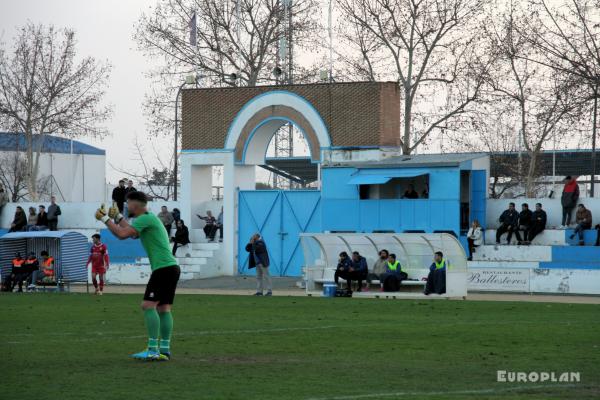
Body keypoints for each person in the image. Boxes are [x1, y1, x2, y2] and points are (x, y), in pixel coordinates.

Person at [95, 191, 180, 361]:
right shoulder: (148, 218)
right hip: (171, 267)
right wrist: (118, 217)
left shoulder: (145, 218)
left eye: (128, 203)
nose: (127, 206)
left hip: (163, 268)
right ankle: (164, 350)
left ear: (135, 204)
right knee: (163, 308)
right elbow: (133, 232)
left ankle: (152, 350)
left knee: (148, 305)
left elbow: (122, 234)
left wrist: (104, 219)